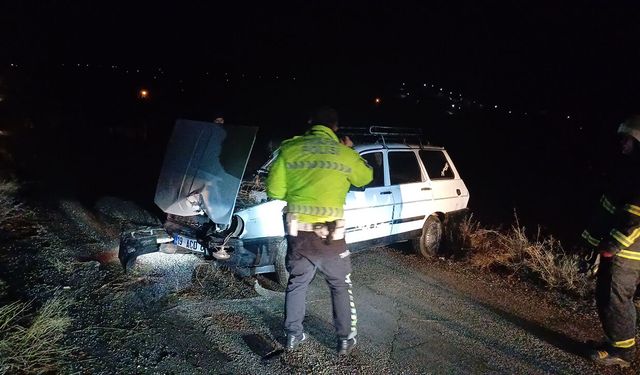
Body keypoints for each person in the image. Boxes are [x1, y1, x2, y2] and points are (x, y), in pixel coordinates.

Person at [266, 106, 373, 355]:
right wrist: (350, 151)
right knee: (339, 285)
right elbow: (365, 177)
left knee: (297, 283)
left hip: (298, 235)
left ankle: (293, 335)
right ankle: (345, 339)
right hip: (331, 238)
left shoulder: (290, 148)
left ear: (310, 122)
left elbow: (274, 191)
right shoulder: (344, 154)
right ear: (335, 128)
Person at [582, 115, 640, 368]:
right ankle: (612, 342)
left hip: (630, 252)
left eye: (629, 139)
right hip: (615, 248)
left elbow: (635, 218)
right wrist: (590, 241)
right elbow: (607, 207)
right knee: (606, 295)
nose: (623, 143)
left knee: (617, 298)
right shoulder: (627, 170)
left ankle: (624, 353)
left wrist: (613, 245)